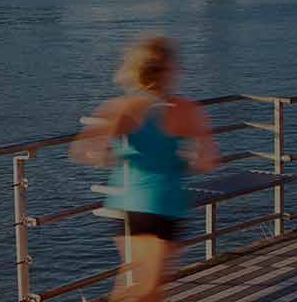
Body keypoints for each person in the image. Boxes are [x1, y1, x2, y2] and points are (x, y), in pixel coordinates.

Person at [70, 36, 219, 302]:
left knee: (136, 283)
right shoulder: (187, 109)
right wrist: (181, 160)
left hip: (125, 203)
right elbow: (208, 162)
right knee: (148, 290)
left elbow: (83, 150)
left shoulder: (120, 107)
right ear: (168, 71)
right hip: (164, 203)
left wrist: (115, 156)